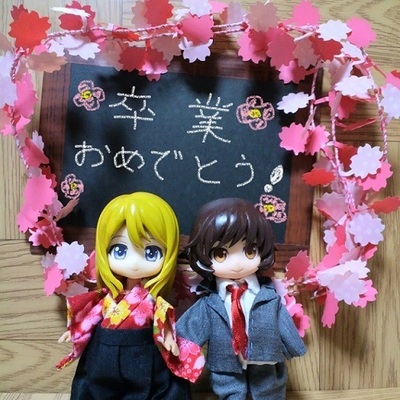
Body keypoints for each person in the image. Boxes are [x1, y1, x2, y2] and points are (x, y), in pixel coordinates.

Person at [57, 192, 202, 399]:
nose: (134, 263)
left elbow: (162, 321)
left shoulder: (151, 301)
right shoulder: (107, 298)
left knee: (146, 389)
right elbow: (91, 317)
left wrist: (169, 338)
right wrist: (75, 331)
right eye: (120, 250)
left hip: (143, 351)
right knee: (99, 387)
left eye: (151, 252)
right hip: (104, 352)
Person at [176, 198, 306, 400]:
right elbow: (190, 328)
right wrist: (178, 345)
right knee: (229, 390)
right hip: (224, 360)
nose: (237, 263)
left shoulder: (268, 297)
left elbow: (282, 321)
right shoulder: (210, 303)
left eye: (249, 251)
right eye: (221, 254)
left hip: (264, 356)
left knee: (268, 389)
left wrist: (294, 345)